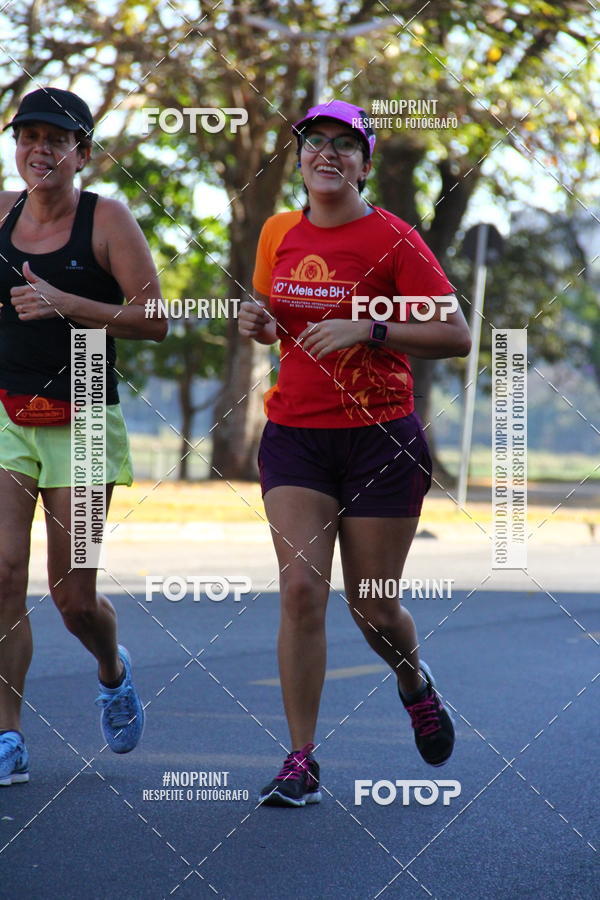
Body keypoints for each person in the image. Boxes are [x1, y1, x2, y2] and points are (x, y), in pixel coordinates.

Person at [238, 99, 471, 807]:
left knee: (373, 607)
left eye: (345, 145)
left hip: (381, 442)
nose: (327, 155)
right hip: (296, 436)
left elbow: (457, 332)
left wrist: (369, 327)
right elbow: (269, 314)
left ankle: (414, 682)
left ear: (365, 163)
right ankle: (301, 758)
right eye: (315, 144)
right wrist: (256, 321)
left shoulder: (395, 238)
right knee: (302, 592)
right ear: (301, 158)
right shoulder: (278, 230)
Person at [0, 87, 167, 786]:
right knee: (2, 575)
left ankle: (112, 669)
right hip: (7, 415)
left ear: (83, 154)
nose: (41, 148)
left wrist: (70, 305)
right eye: (28, 135)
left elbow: (153, 318)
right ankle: (8, 736)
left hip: (86, 419)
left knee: (72, 597)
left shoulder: (108, 220)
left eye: (56, 138)